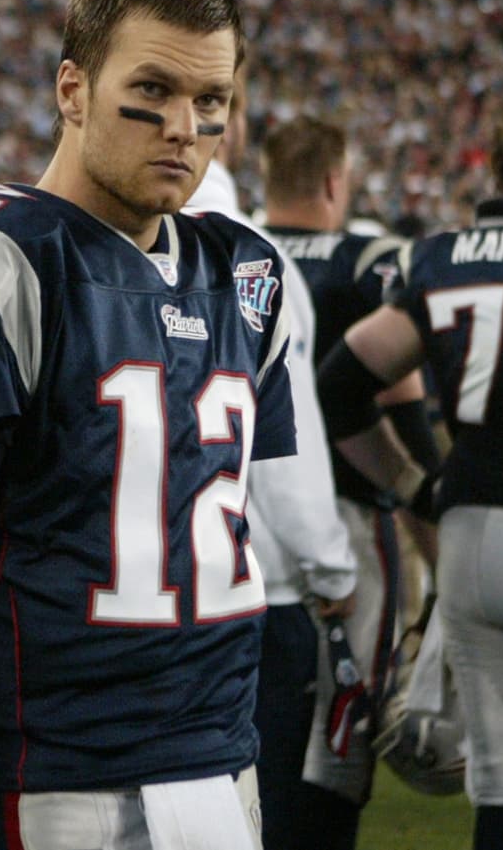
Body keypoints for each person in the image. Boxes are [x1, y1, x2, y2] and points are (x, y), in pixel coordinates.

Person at [0, 0, 298, 850]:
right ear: (74, 88)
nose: (184, 126)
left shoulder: (247, 274)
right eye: (155, 88)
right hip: (57, 790)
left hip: (221, 768)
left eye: (211, 101)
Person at [315, 97, 503, 850]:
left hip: (474, 539)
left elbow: (341, 382)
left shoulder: (441, 259)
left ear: (500, 171)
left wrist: (415, 484)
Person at [183, 72, 358, 850]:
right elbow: (289, 452)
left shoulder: (86, 245)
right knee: (271, 819)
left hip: (128, 597)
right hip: (257, 590)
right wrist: (333, 570)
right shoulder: (254, 261)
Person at [261, 115, 442, 850]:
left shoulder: (235, 248)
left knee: (260, 724)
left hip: (244, 524)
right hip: (348, 524)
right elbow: (400, 404)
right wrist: (432, 519)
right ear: (335, 181)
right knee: (342, 729)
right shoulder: (367, 260)